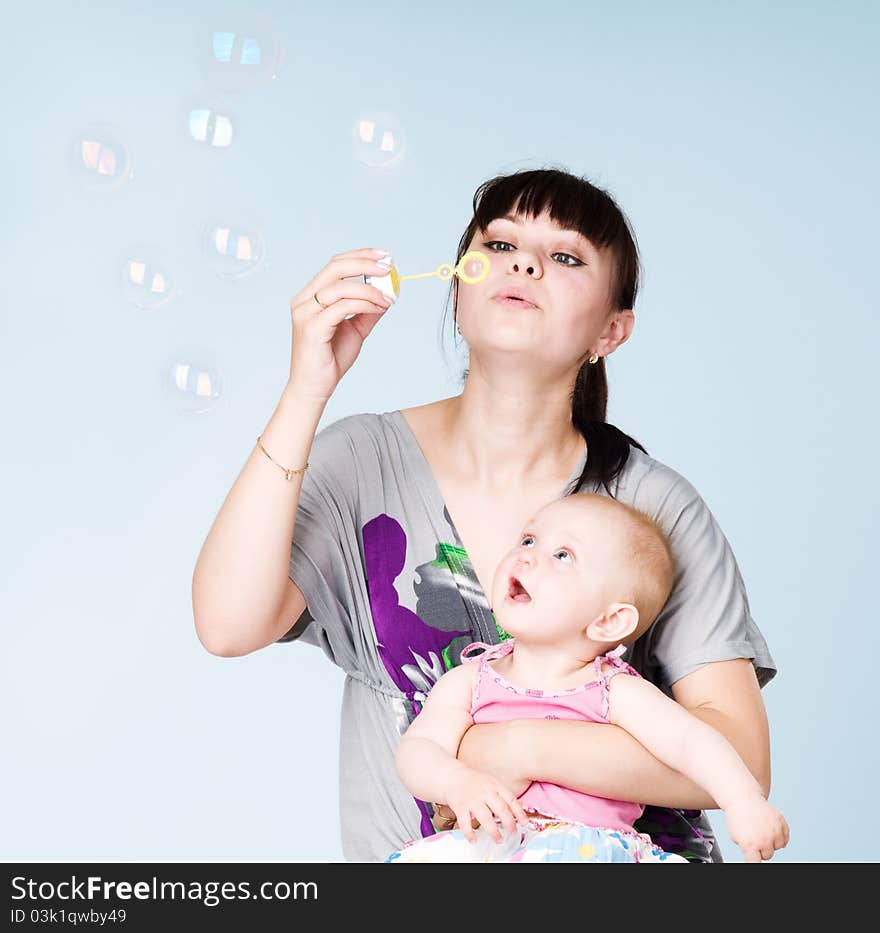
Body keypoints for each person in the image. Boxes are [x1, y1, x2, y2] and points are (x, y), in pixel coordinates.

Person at [191, 167, 777, 863]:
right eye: (499, 244)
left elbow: (742, 760)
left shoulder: (654, 504)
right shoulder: (359, 461)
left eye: (564, 257)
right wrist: (307, 388)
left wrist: (514, 745)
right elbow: (227, 625)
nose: (524, 262)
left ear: (612, 331)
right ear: (459, 287)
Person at [387, 492, 789, 863]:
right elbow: (417, 750)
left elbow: (691, 742)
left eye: (563, 555)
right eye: (528, 540)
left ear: (609, 620)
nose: (527, 557)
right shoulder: (469, 680)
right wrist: (455, 781)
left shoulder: (614, 691)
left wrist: (743, 802)